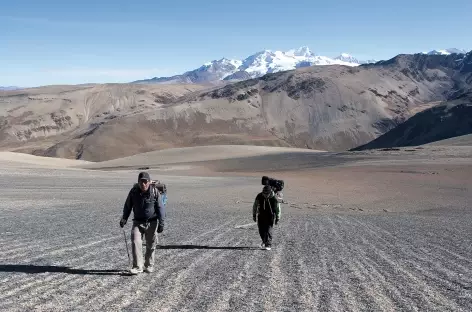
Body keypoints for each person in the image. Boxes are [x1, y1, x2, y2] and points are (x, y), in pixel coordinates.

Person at [120, 171, 165, 274]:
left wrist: (161, 223)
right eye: (141, 182)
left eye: (145, 182)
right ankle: (137, 266)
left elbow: (160, 207)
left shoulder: (154, 192)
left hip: (152, 222)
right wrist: (124, 218)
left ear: (149, 182)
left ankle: (149, 265)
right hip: (137, 222)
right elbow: (128, 206)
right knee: (136, 242)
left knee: (151, 245)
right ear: (138, 182)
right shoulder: (133, 192)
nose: (143, 184)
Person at [252, 185, 281, 250]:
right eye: (264, 193)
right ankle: (264, 241)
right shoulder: (259, 196)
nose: (265, 195)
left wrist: (277, 217)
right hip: (261, 215)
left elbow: (278, 208)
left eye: (266, 194)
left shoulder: (274, 197)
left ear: (270, 192)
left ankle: (268, 244)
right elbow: (255, 205)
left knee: (268, 230)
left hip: (270, 215)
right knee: (261, 230)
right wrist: (254, 215)